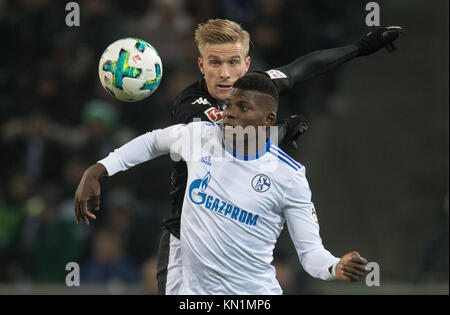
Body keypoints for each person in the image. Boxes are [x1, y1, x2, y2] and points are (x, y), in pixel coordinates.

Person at [76, 19, 403, 294]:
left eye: (233, 62)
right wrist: (275, 134)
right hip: (187, 236)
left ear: (247, 64)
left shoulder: (256, 92)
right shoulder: (191, 105)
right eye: (215, 63)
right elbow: (223, 140)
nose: (225, 73)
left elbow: (302, 68)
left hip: (245, 225)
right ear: (201, 65)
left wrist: (361, 48)